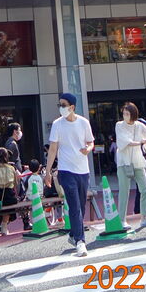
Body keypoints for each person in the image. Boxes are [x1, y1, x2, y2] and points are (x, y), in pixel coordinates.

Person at [44, 92, 94, 256]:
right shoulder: (57, 124)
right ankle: (80, 241)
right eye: (59, 105)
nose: (61, 108)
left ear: (72, 107)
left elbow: (91, 142)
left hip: (83, 170)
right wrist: (48, 172)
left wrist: (88, 149)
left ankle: (73, 234)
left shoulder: (84, 122)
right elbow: (53, 149)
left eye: (63, 105)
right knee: (74, 205)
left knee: (81, 206)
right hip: (65, 170)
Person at [115, 102, 146, 231]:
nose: (125, 116)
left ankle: (144, 218)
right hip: (124, 162)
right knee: (124, 191)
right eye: (124, 114)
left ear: (133, 114)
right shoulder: (119, 125)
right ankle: (122, 220)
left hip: (137, 161)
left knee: (145, 189)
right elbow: (124, 141)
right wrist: (140, 142)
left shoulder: (139, 125)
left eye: (127, 114)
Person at [0, 147, 19, 235]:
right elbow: (15, 183)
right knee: (9, 203)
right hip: (8, 194)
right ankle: (4, 226)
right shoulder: (11, 168)